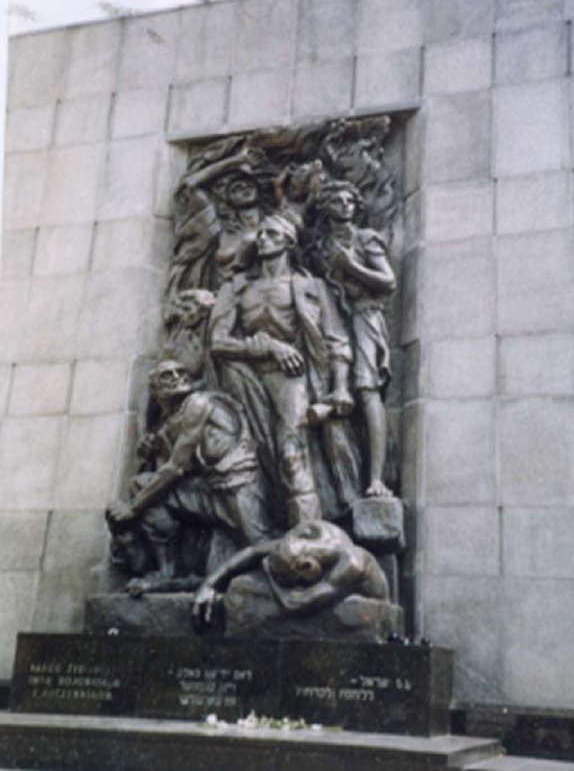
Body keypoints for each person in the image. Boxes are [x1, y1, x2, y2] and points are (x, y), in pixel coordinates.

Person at [208, 213, 360, 526]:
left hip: (293, 378)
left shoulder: (312, 287)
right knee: (255, 455)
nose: (263, 239)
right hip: (245, 377)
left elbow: (337, 340)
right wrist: (266, 347)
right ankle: (261, 528)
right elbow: (217, 342)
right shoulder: (236, 287)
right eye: (261, 234)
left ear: (289, 242)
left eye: (272, 234)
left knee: (292, 453)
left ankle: (308, 532)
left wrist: (341, 388)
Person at [106, 359, 270, 592]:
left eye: (181, 372)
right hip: (210, 490)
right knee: (142, 484)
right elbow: (166, 470)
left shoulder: (198, 404)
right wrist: (152, 451)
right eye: (167, 375)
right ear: (154, 389)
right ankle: (168, 572)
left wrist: (132, 510)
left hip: (237, 485)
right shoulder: (171, 421)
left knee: (258, 542)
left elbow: (175, 468)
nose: (177, 377)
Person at [310, 180, 396, 497]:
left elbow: (388, 281)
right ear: (325, 207)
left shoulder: (365, 239)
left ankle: (376, 479)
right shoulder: (319, 246)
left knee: (367, 388)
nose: (345, 204)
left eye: (349, 200)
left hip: (363, 315)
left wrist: (351, 267)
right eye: (337, 200)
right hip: (330, 317)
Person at [193, 519, 389, 624]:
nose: (296, 586)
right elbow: (253, 552)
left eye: (293, 582)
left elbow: (295, 603)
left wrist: (270, 577)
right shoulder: (304, 538)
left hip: (366, 606)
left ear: (306, 566)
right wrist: (209, 584)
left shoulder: (352, 564)